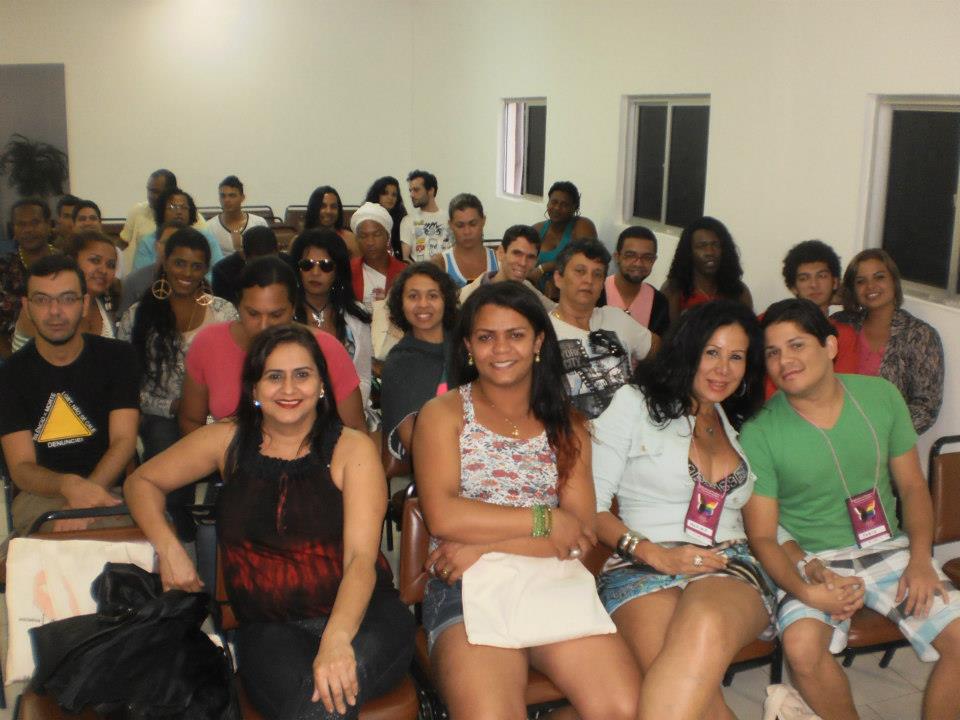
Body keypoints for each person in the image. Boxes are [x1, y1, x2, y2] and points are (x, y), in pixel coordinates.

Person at [124, 323, 416, 719]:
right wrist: (170, 547)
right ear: (254, 389)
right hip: (268, 628)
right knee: (317, 701)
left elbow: (360, 561)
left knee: (325, 698)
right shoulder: (226, 440)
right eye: (274, 377)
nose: (289, 389)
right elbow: (141, 482)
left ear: (322, 385)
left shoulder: (353, 449)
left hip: (366, 618)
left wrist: (335, 640)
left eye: (302, 375)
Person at [413, 281, 639, 720]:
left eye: (515, 334)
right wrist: (546, 519)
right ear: (467, 346)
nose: (501, 349)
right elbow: (443, 516)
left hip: (548, 575)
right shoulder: (443, 414)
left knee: (625, 709)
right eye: (486, 336)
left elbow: (580, 533)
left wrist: (483, 546)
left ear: (538, 341)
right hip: (466, 584)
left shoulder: (568, 424)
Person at [741, 298, 960, 720]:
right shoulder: (760, 431)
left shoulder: (881, 396)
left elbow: (913, 487)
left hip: (889, 549)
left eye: (797, 345)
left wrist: (920, 559)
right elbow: (764, 536)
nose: (785, 361)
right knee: (802, 650)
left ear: (830, 346)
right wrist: (806, 587)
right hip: (810, 560)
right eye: (772, 352)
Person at [592, 300, 774, 720]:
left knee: (703, 625)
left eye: (736, 357)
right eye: (711, 352)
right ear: (687, 349)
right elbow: (593, 510)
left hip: (726, 562)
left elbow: (763, 521)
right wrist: (654, 554)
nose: (723, 369)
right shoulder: (633, 403)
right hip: (641, 565)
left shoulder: (738, 421)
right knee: (697, 701)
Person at [0, 255, 139, 534]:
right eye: (42, 300)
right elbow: (21, 467)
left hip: (109, 487)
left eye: (67, 299)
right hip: (41, 494)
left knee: (116, 545)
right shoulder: (10, 375)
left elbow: (124, 441)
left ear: (85, 304)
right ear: (27, 307)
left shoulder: (118, 358)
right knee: (60, 543)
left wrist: (86, 497)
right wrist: (68, 485)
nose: (55, 311)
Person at [118, 227, 236, 537]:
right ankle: (176, 537)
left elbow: (238, 370)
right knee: (168, 453)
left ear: (206, 268)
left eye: (196, 266)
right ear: (165, 263)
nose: (187, 273)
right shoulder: (137, 316)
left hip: (217, 414)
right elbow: (126, 386)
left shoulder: (223, 312)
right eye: (179, 263)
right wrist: (171, 406)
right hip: (161, 415)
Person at [179, 256, 364, 436]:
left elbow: (355, 429)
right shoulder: (209, 344)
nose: (264, 326)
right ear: (238, 306)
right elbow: (191, 420)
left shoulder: (326, 349)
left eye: (276, 315)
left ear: (293, 308)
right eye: (253, 314)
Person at [833, 248, 943, 434]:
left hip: (886, 439)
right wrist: (830, 298)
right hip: (835, 432)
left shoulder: (920, 335)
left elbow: (926, 408)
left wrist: (881, 433)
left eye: (879, 277)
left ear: (894, 280)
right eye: (861, 281)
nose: (871, 286)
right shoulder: (843, 324)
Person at [549, 238, 657, 419]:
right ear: (558, 278)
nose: (589, 280)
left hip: (630, 427)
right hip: (571, 429)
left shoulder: (616, 318)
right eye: (580, 271)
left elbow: (661, 353)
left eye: (597, 274)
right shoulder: (543, 331)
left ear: (602, 285)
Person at [291, 229, 373, 425]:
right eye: (307, 265)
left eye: (326, 266)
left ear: (338, 271)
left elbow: (363, 377)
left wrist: (341, 413)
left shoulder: (356, 316)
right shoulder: (284, 315)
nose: (315, 272)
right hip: (294, 415)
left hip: (348, 416)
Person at [380, 263, 458, 461]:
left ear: (446, 300)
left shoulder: (466, 347)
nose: (423, 304)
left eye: (432, 296)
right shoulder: (399, 364)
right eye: (413, 296)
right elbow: (415, 444)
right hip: (438, 463)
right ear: (401, 303)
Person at [764, 239, 858, 398]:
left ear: (835, 282)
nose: (814, 285)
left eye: (821, 276)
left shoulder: (844, 335)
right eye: (804, 278)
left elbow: (845, 388)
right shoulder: (770, 325)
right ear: (793, 287)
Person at [14, 229, 119, 350]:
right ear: (72, 260)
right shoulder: (42, 306)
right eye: (95, 260)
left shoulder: (105, 306)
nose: (103, 270)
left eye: (111, 265)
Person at [661, 216, 753, 326]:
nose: (710, 252)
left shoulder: (739, 291)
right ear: (689, 252)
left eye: (716, 245)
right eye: (701, 246)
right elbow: (669, 333)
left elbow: (749, 331)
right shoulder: (673, 289)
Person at [119, 169, 207, 273]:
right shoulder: (138, 212)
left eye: (157, 192)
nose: (151, 196)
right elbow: (122, 244)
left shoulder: (193, 219)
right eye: (150, 190)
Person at [1, 198, 56, 358]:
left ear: (48, 225)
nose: (28, 230)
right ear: (13, 229)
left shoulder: (67, 263)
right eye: (21, 224)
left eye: (35, 223)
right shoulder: (4, 268)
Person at [458, 224, 555, 310]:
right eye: (517, 253)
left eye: (531, 257)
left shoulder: (528, 289)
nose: (523, 263)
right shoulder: (465, 298)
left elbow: (555, 311)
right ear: (501, 253)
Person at [133, 187, 223, 277]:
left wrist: (194, 280)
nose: (179, 212)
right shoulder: (148, 242)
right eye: (172, 207)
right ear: (162, 211)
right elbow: (140, 277)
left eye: (184, 207)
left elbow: (219, 272)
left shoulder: (206, 239)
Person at [530, 181, 598, 301]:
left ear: (575, 207)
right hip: (537, 297)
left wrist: (544, 268)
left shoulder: (582, 226)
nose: (557, 208)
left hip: (574, 295)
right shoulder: (537, 229)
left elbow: (586, 259)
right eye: (554, 202)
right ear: (548, 203)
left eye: (564, 204)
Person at [604, 225, 669, 337]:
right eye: (630, 255)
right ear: (617, 257)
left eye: (647, 257)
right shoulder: (597, 291)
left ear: (654, 260)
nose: (638, 263)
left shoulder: (659, 302)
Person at [430, 193, 498, 289]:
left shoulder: (499, 260)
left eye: (473, 224)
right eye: (460, 225)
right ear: (450, 225)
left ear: (483, 221)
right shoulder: (440, 263)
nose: (467, 232)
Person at [119, 220, 185, 317]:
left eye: (179, 244)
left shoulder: (194, 281)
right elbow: (122, 320)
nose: (172, 248)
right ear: (156, 246)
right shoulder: (134, 281)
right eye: (167, 242)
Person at [212, 225, 290, 307]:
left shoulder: (287, 264)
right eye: (259, 265)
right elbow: (224, 308)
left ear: (278, 250)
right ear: (244, 255)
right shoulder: (222, 272)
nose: (265, 269)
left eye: (270, 262)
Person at [348, 202, 406, 312]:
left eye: (377, 234)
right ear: (357, 240)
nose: (370, 242)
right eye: (363, 236)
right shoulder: (348, 271)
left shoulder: (404, 273)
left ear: (387, 237)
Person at [206, 175, 269, 256]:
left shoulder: (259, 223)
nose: (227, 200)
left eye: (232, 196)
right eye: (223, 196)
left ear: (242, 198)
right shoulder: (210, 227)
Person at [399, 170, 449, 263]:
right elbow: (405, 259)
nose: (411, 195)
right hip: (420, 270)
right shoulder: (408, 220)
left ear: (431, 191)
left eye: (416, 190)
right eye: (410, 190)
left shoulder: (450, 218)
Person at [303, 186, 360, 258]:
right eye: (323, 206)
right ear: (313, 209)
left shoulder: (351, 240)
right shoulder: (301, 241)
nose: (328, 211)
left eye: (333, 207)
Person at [363, 176, 407, 261]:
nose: (390, 198)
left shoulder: (401, 218)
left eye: (394, 195)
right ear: (376, 195)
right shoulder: (366, 217)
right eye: (385, 193)